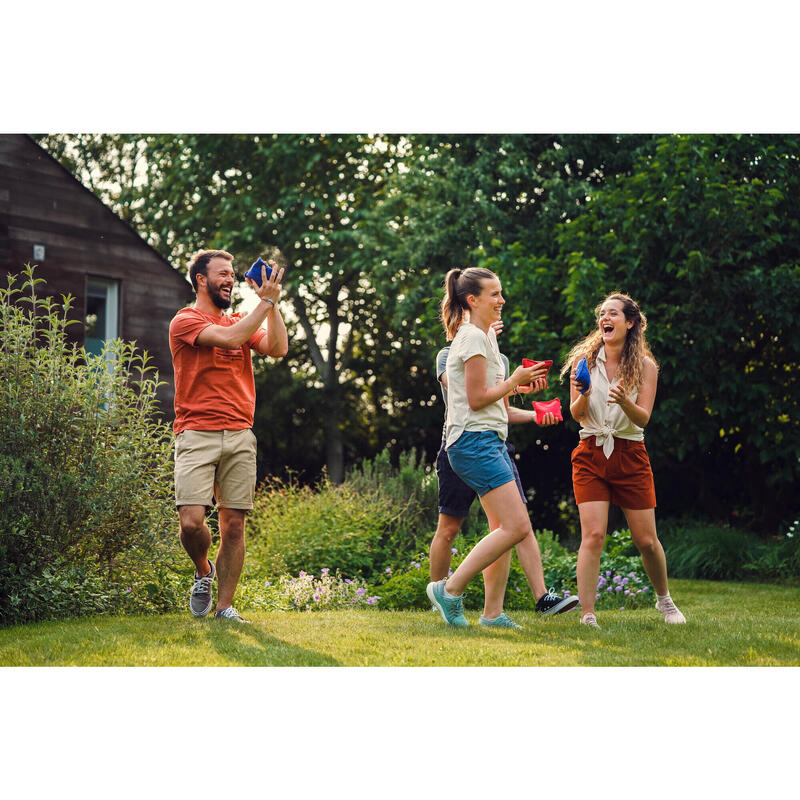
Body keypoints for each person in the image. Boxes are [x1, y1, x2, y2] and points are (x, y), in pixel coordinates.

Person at [427, 267, 577, 627]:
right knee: (515, 527)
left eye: (501, 292)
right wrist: (514, 379)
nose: (502, 300)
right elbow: (477, 399)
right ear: (472, 300)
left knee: (505, 527)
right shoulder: (472, 339)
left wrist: (521, 389)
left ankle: (492, 614)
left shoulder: (483, 338)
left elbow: (490, 396)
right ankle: (449, 591)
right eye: (494, 294)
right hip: (473, 442)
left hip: (488, 441)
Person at [169, 249, 288, 623]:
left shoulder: (242, 317)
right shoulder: (186, 320)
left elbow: (279, 349)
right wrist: (264, 303)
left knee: (233, 525)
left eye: (233, 273)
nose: (231, 279)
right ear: (201, 279)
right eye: (222, 273)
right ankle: (204, 570)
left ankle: (224, 608)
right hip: (196, 432)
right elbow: (232, 337)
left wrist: (273, 306)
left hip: (239, 433)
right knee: (191, 521)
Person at [561, 291, 686, 629]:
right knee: (593, 536)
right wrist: (584, 394)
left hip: (630, 453)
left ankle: (665, 601)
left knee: (646, 540)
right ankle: (588, 614)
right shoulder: (582, 362)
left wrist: (624, 402)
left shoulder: (645, 366)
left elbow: (643, 418)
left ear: (630, 323)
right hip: (590, 452)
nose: (606, 318)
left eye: (614, 313)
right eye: (603, 313)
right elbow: (576, 414)